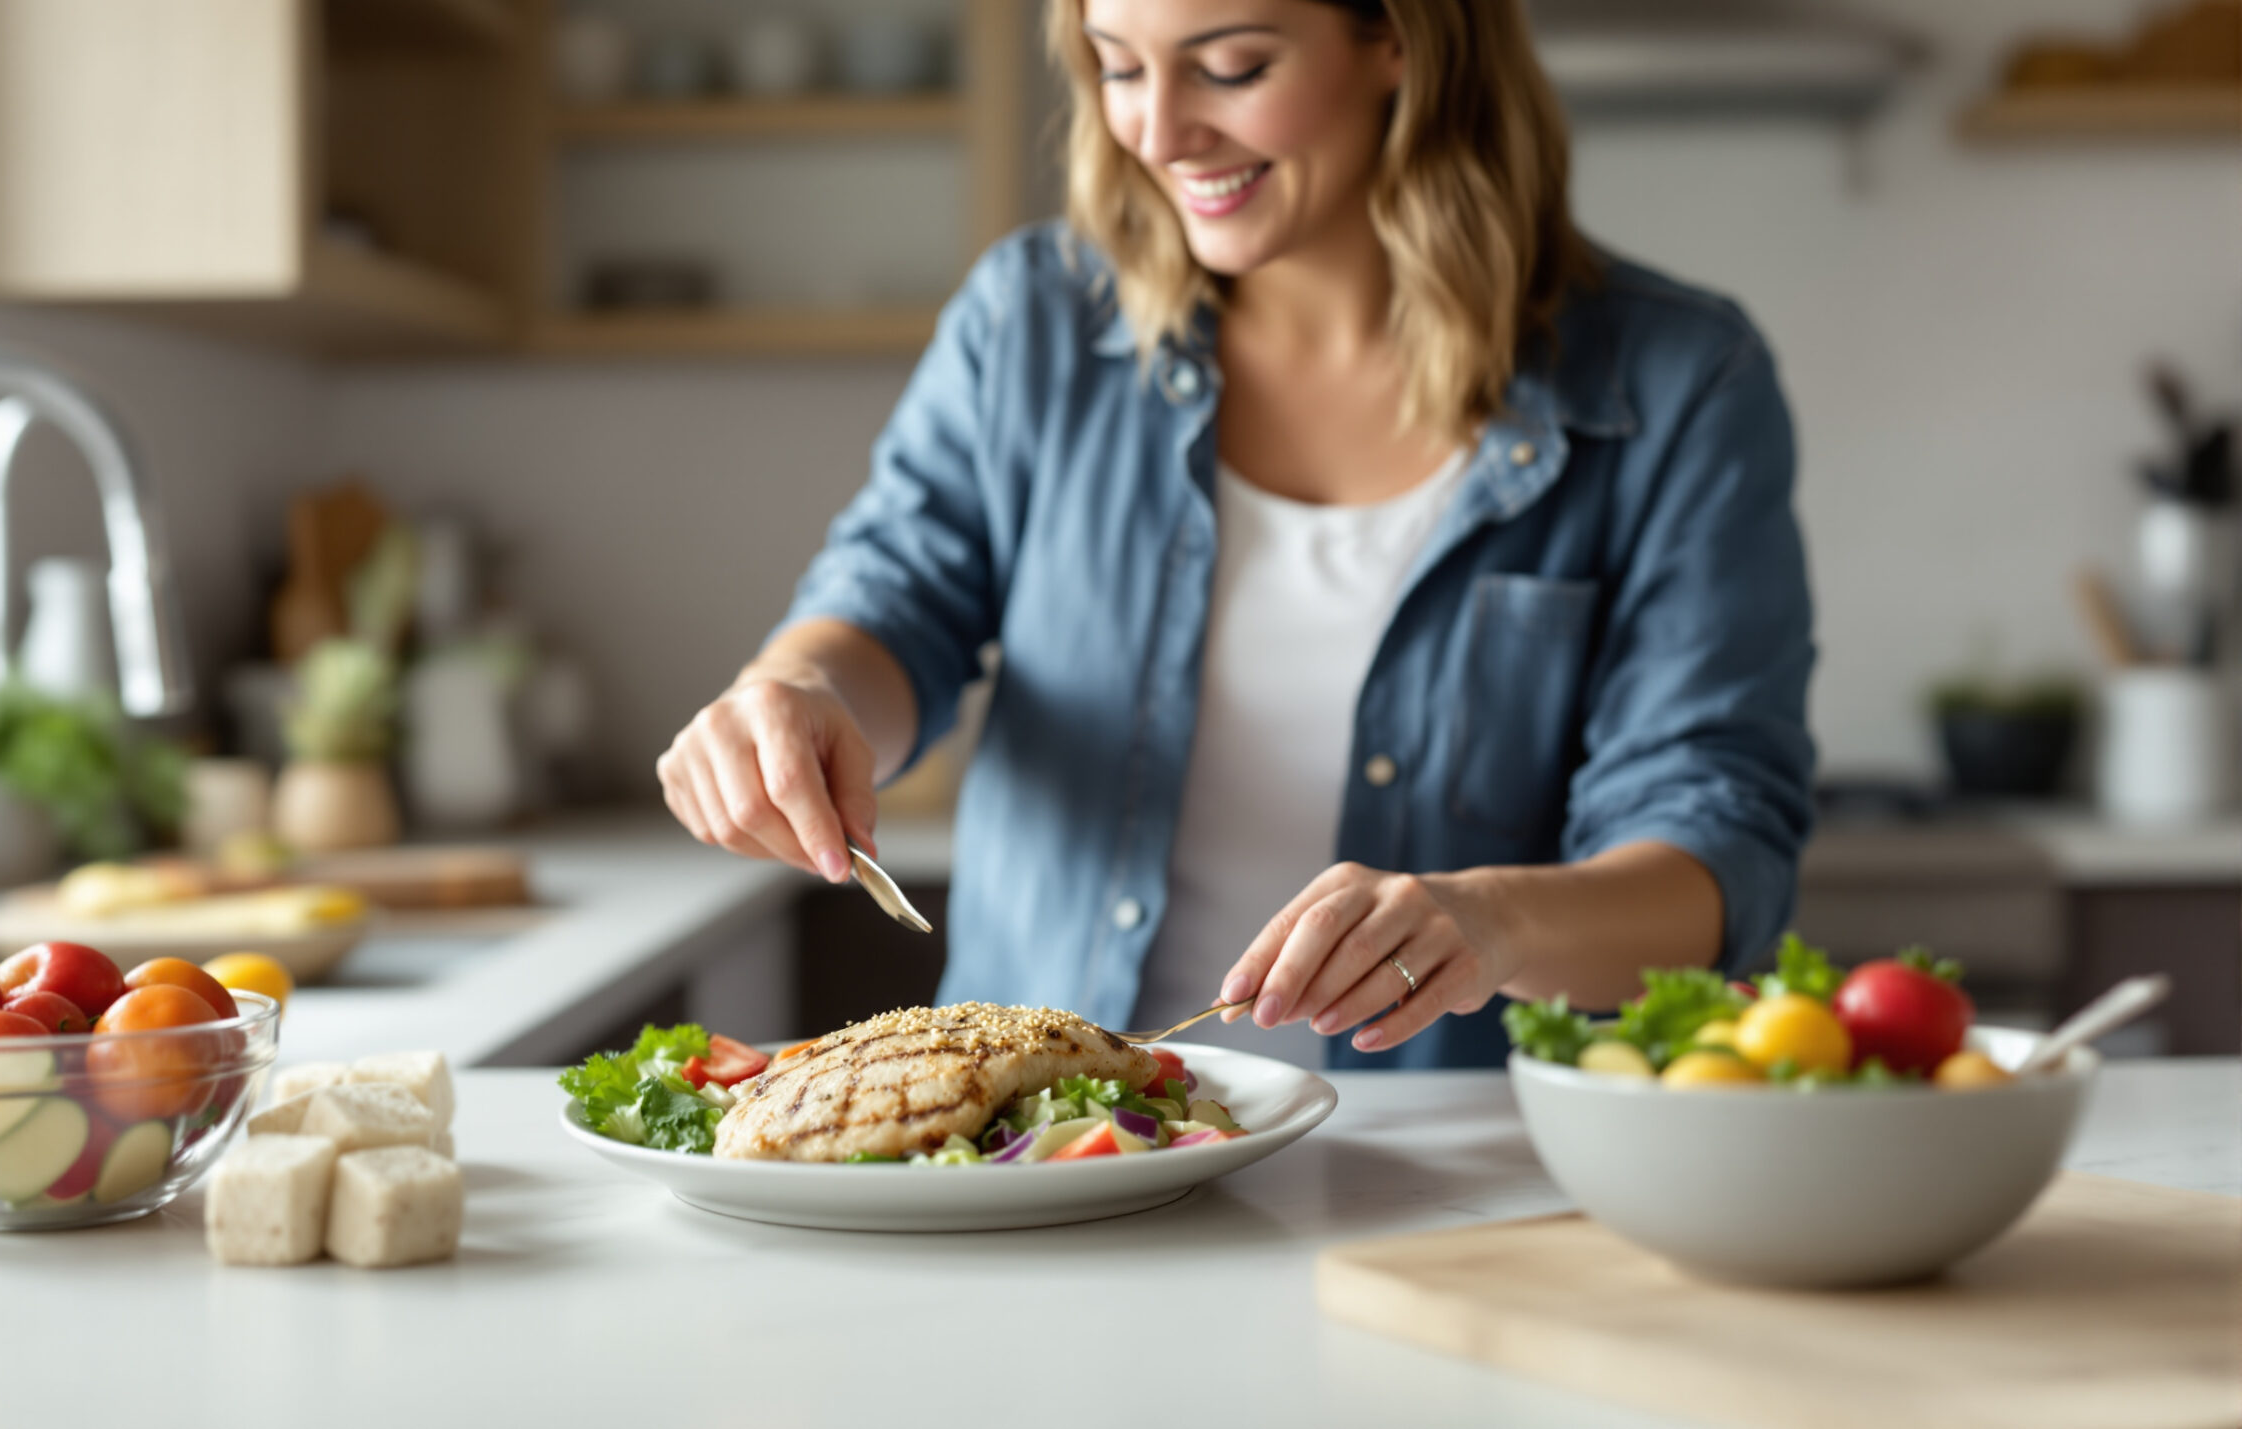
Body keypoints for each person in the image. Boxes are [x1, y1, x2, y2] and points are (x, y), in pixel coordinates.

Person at [655, 0, 1816, 1070]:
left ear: (1399, 39)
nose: (1159, 132)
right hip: (1047, 1153)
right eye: (1117, 68)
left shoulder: (1676, 385)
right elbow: (893, 604)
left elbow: (1713, 847)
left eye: (1232, 66)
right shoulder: (1031, 323)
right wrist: (796, 693)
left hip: (1445, 1162)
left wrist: (1489, 921)